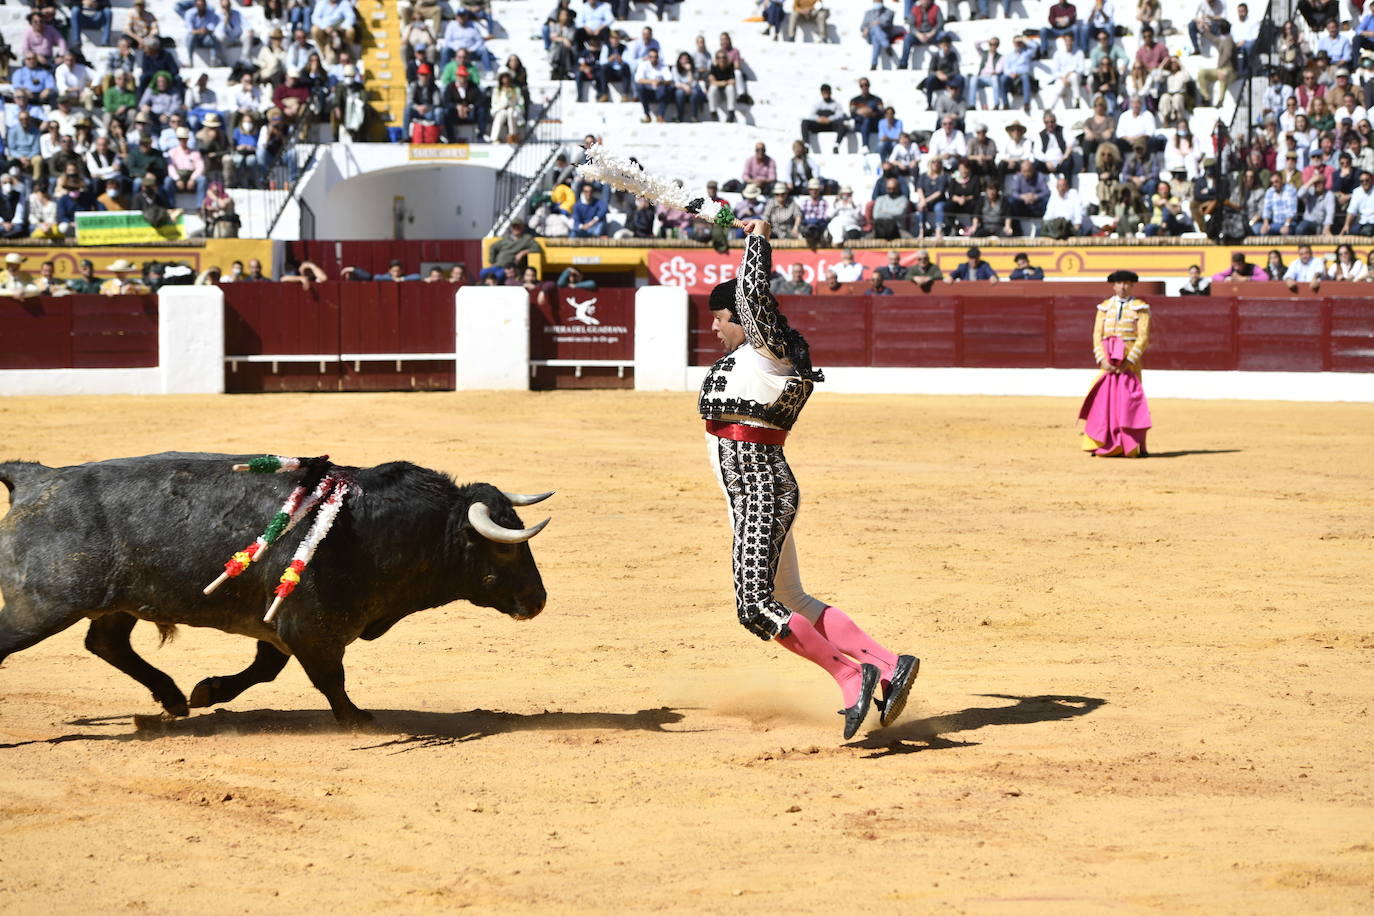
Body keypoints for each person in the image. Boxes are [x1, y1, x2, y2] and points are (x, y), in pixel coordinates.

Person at [701, 217, 919, 739]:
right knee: (791, 598)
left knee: (754, 604)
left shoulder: (767, 352)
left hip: (759, 488)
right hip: (755, 492)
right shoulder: (753, 359)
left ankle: (851, 675)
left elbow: (754, 296)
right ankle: (889, 665)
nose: (714, 327)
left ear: (745, 320)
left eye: (720, 318)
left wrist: (758, 240)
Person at [1079, 269, 1151, 458]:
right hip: (1108, 362)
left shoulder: (1140, 307)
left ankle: (1138, 446)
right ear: (1114, 285)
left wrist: (1129, 360)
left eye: (1127, 283)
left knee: (1132, 404)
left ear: (1132, 285)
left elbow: (1143, 338)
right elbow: (1097, 335)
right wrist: (1102, 359)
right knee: (1102, 402)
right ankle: (1098, 442)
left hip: (1130, 364)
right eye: (1119, 283)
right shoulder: (1103, 307)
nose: (1123, 286)